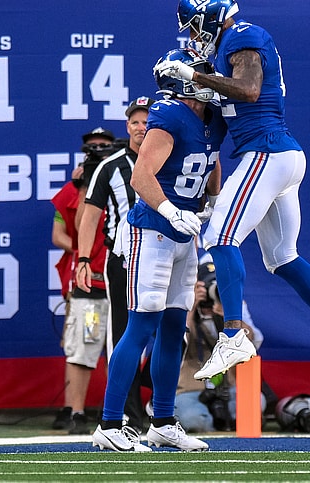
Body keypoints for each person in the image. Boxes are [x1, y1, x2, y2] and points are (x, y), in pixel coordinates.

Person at [156, 0, 310, 395]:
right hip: (280, 154)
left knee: (220, 236)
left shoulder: (241, 36)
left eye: (193, 26)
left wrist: (191, 74)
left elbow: (249, 90)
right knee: (282, 257)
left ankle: (234, 334)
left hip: (266, 151)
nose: (192, 35)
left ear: (209, 18)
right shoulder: (231, 46)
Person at [91, 47, 225, 452]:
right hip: (151, 232)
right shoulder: (167, 115)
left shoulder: (212, 119)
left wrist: (214, 203)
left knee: (174, 330)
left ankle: (163, 421)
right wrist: (168, 209)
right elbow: (141, 176)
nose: (208, 79)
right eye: (200, 74)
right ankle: (110, 424)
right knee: (142, 326)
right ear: (183, 81)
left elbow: (211, 161)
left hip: (186, 233)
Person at [76, 96, 155, 431]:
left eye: (146, 120)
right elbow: (90, 217)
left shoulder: (169, 157)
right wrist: (82, 259)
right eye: (135, 122)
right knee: (122, 336)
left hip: (161, 257)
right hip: (122, 260)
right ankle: (127, 415)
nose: (140, 127)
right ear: (127, 127)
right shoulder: (110, 165)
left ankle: (154, 405)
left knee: (174, 333)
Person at [49, 127, 117, 434]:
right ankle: (75, 411)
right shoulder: (73, 190)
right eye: (92, 148)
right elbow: (69, 231)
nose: (98, 151)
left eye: (103, 146)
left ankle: (119, 411)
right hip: (91, 282)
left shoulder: (123, 177)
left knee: (121, 348)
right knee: (84, 344)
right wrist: (82, 186)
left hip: (121, 280)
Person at [175, 257, 265, 433]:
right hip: (191, 388)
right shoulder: (184, 302)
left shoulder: (233, 305)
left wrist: (232, 318)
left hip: (227, 386)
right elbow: (178, 339)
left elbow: (254, 341)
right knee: (196, 422)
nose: (213, 292)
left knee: (254, 403)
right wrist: (191, 306)